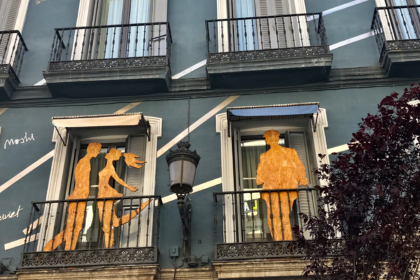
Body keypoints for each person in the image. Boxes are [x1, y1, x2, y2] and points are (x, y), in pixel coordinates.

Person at [43, 142, 102, 251]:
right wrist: (84, 197)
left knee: (75, 228)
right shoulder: (84, 162)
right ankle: (58, 252)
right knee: (72, 229)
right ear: (92, 150)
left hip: (80, 199)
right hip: (78, 199)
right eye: (98, 151)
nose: (98, 154)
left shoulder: (85, 162)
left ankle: (62, 252)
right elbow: (81, 183)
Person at [256, 130, 309, 241]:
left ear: (272, 139)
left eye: (267, 138)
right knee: (275, 217)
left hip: (285, 189)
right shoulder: (264, 156)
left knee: (282, 216)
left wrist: (302, 178)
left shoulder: (290, 152)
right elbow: (260, 176)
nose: (266, 140)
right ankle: (280, 242)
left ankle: (285, 242)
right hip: (271, 190)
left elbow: (298, 166)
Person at [97, 148, 151, 248]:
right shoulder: (109, 167)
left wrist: (128, 187)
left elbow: (118, 179)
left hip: (104, 197)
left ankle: (108, 250)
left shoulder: (110, 168)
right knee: (115, 223)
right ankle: (139, 209)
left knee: (108, 226)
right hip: (104, 196)